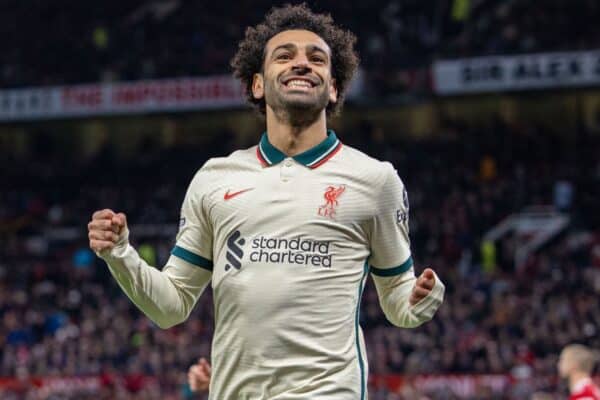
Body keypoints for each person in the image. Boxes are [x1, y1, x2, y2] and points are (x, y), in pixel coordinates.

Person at [87, 4, 445, 399]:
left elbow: (397, 299)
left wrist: (418, 300)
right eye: (285, 55)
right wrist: (121, 254)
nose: (302, 64)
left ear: (333, 87)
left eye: (317, 58)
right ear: (258, 84)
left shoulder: (375, 180)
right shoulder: (214, 179)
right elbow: (171, 305)